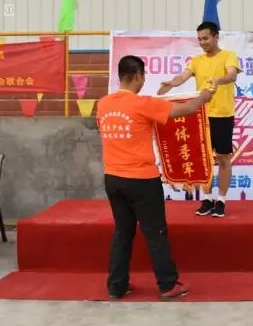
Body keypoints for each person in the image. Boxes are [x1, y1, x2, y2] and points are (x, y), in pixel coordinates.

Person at [97, 55, 214, 301]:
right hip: (141, 180)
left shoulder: (103, 104)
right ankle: (168, 285)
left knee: (122, 233)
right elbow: (186, 109)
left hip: (113, 178)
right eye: (143, 76)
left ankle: (116, 286)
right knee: (155, 233)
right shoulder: (142, 104)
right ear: (138, 75)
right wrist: (203, 97)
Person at [157, 21, 241, 218]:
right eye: (200, 39)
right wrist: (171, 83)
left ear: (216, 37)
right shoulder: (196, 60)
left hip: (222, 115)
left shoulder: (229, 56)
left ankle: (221, 201)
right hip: (200, 116)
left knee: (223, 158)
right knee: (203, 160)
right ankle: (207, 199)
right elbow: (182, 77)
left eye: (206, 38)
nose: (202, 42)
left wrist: (218, 80)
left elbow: (232, 75)